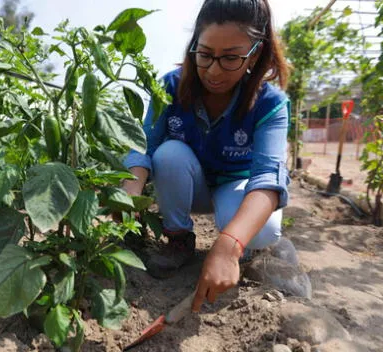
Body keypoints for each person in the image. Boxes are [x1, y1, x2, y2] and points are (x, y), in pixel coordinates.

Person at [122, 0, 291, 312]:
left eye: (230, 58)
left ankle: (244, 247)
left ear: (254, 52)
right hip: (192, 184)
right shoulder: (171, 87)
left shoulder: (271, 104)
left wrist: (229, 246)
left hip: (236, 186)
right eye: (205, 55)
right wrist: (127, 198)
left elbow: (268, 178)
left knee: (263, 231)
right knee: (169, 153)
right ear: (194, 45)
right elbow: (143, 145)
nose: (213, 71)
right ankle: (179, 239)